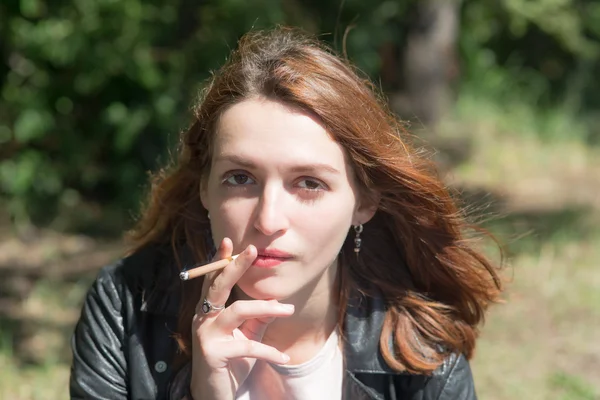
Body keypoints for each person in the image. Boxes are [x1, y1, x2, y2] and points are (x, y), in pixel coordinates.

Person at [69, 27, 502, 400]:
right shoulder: (127, 304)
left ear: (365, 201)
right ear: (204, 186)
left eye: (309, 183)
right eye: (240, 178)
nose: (268, 220)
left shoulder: (420, 353)